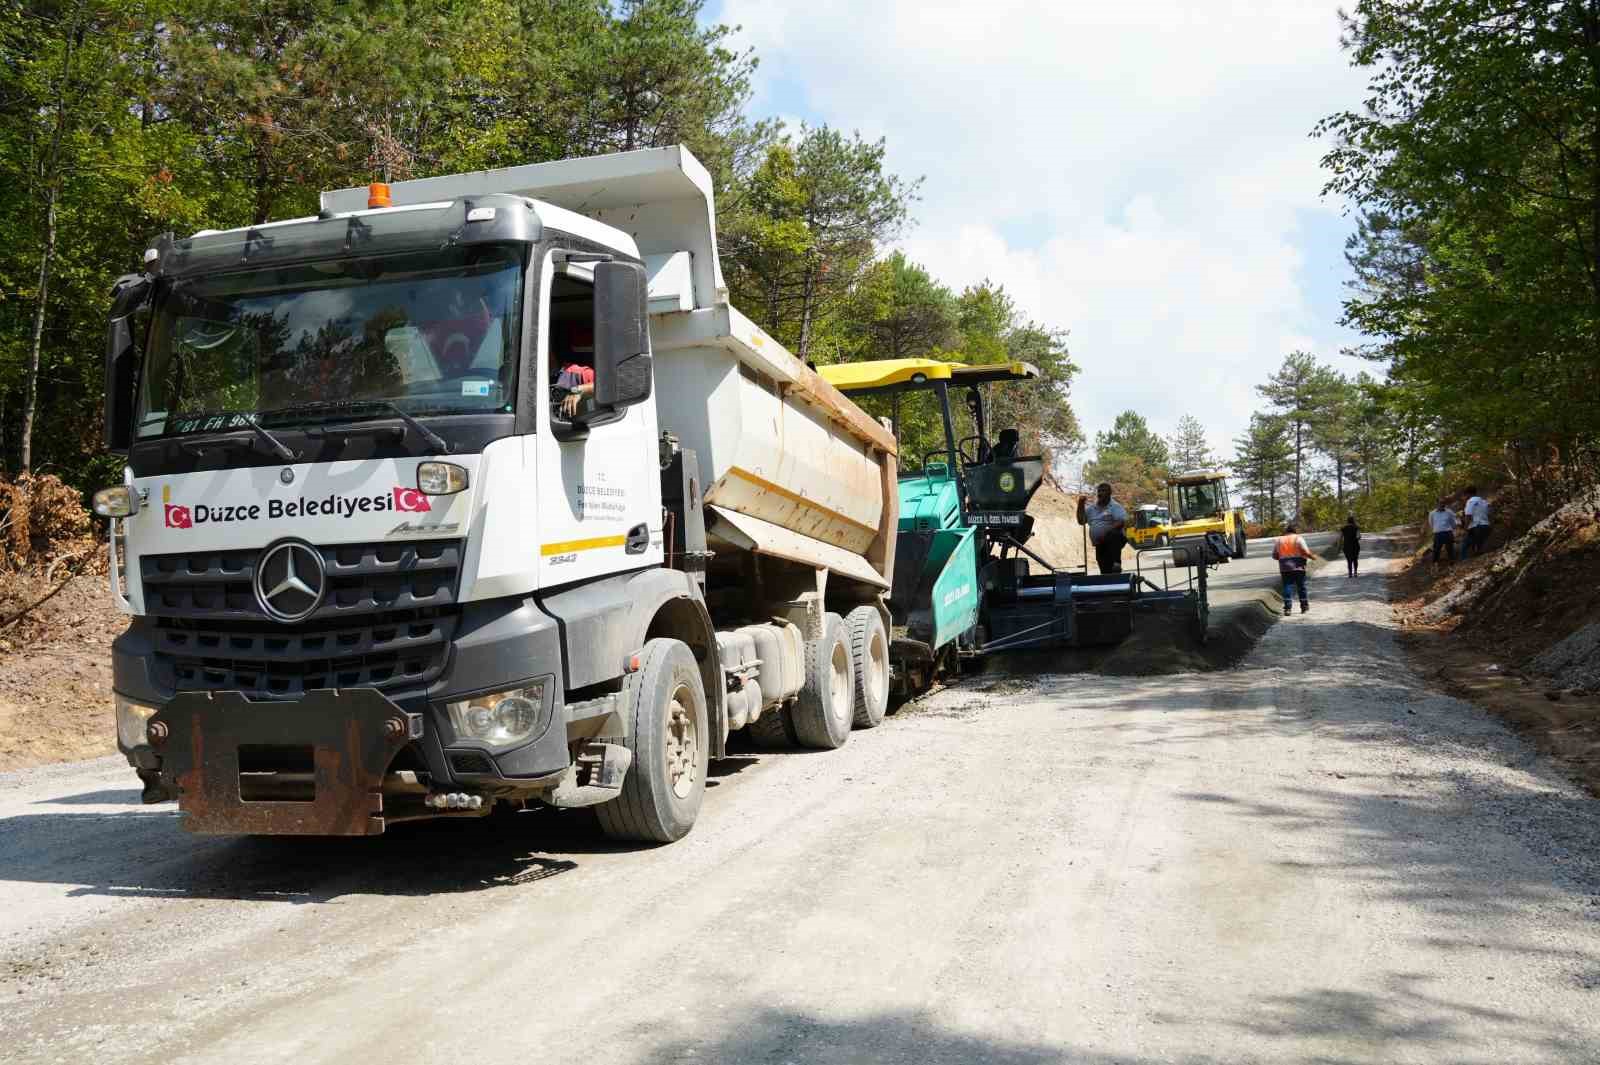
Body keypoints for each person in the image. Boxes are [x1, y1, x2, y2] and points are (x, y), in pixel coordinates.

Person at [1077, 482, 1128, 574]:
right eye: (1099, 491)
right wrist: (1080, 504)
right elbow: (1081, 521)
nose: (1100, 493)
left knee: (1113, 534)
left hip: (1115, 540)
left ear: (1109, 493)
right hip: (1100, 543)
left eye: (1103, 491)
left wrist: (1106, 533)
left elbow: (1121, 522)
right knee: (1105, 570)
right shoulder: (1092, 508)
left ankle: (1116, 563)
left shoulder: (1115, 507)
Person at [1272, 522, 1314, 615]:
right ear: (1295, 532)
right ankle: (1304, 606)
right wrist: (1312, 557)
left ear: (1286, 532)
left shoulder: (1279, 540)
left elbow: (1274, 555)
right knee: (1301, 586)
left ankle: (1287, 608)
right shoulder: (1298, 538)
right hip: (1299, 566)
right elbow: (1305, 551)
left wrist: (1282, 558)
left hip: (1285, 567)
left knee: (1287, 586)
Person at [1426, 499, 1459, 565]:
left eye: (1443, 503)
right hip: (1438, 534)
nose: (1442, 504)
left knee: (1450, 548)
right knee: (1436, 549)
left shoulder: (1449, 512)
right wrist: (1436, 529)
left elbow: (1454, 521)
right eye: (1440, 503)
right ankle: (1435, 563)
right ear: (1437, 504)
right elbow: (1431, 523)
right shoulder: (1432, 513)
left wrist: (1453, 528)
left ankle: (1452, 562)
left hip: (1448, 532)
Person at [1462, 485, 1491, 559]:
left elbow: (1468, 515)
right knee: (1478, 546)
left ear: (1468, 494)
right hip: (1486, 526)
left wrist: (1465, 528)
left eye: (1465, 495)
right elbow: (1489, 513)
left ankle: (1464, 562)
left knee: (1465, 546)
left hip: (1477, 527)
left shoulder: (1470, 501)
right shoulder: (1484, 501)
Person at [1340, 513, 1361, 578]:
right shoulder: (1356, 527)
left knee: (1349, 560)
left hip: (1346, 546)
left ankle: (1350, 573)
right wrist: (1356, 539)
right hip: (1355, 545)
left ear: (1347, 521)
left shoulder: (1343, 528)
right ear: (1353, 521)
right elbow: (1359, 536)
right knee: (1355, 559)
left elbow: (1341, 538)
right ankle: (1355, 572)